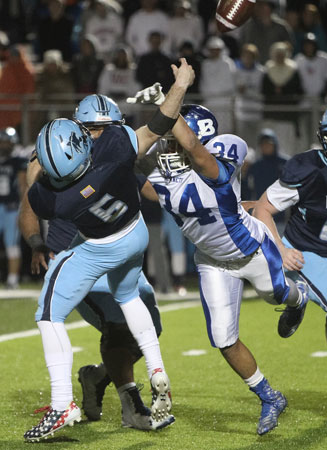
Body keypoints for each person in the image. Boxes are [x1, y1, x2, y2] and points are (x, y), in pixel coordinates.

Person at [22, 58, 195, 442]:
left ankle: (63, 402)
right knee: (126, 310)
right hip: (133, 236)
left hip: (99, 248)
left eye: (102, 128)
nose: (99, 134)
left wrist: (34, 170)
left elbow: (39, 195)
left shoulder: (56, 198)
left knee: (49, 313)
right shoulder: (118, 148)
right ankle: (153, 373)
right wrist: (180, 85)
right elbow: (159, 124)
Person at [130, 95, 309, 435]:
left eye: (173, 139)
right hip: (212, 261)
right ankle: (269, 396)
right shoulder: (165, 172)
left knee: (277, 293)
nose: (167, 148)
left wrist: (171, 101)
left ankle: (297, 299)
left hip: (252, 249)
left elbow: (198, 153)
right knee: (223, 339)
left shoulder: (224, 151)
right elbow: (151, 185)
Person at [253, 101, 327, 420]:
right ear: (323, 136)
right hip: (308, 251)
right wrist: (281, 250)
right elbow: (263, 209)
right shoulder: (309, 168)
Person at [0, 127, 27, 288]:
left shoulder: (17, 161)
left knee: (11, 244)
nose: (4, 145)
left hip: (11, 207)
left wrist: (24, 208)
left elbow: (23, 186)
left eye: (6, 142)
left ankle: (12, 280)